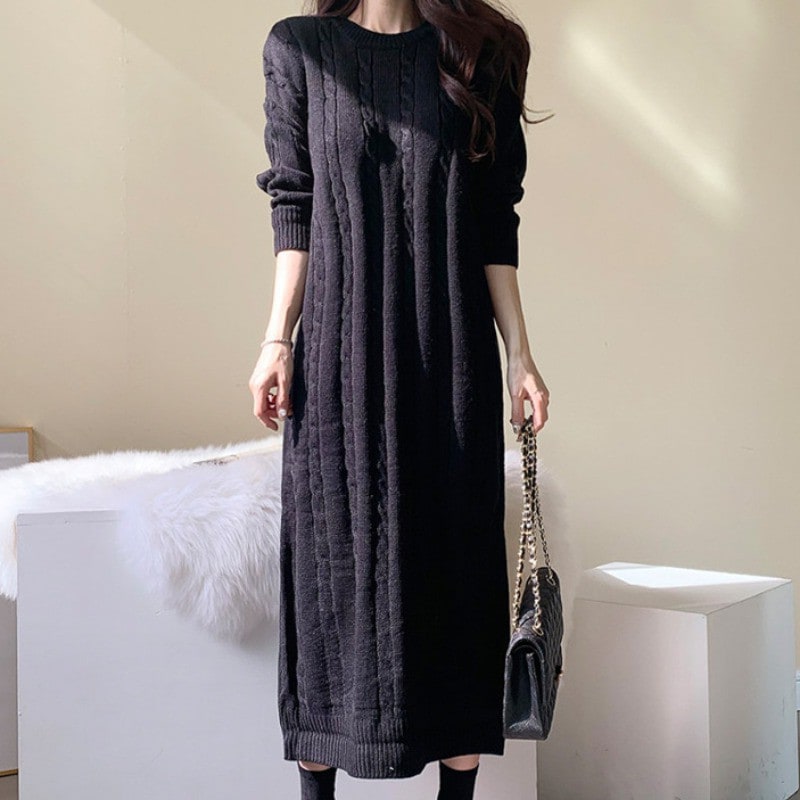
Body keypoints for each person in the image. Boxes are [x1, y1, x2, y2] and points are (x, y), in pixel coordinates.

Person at [249, 1, 550, 797]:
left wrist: (519, 355)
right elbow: (294, 203)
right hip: (336, 365)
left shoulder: (483, 55)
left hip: (450, 358)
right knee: (329, 575)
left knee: (455, 569)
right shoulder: (300, 50)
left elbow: (494, 221)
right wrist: (277, 340)